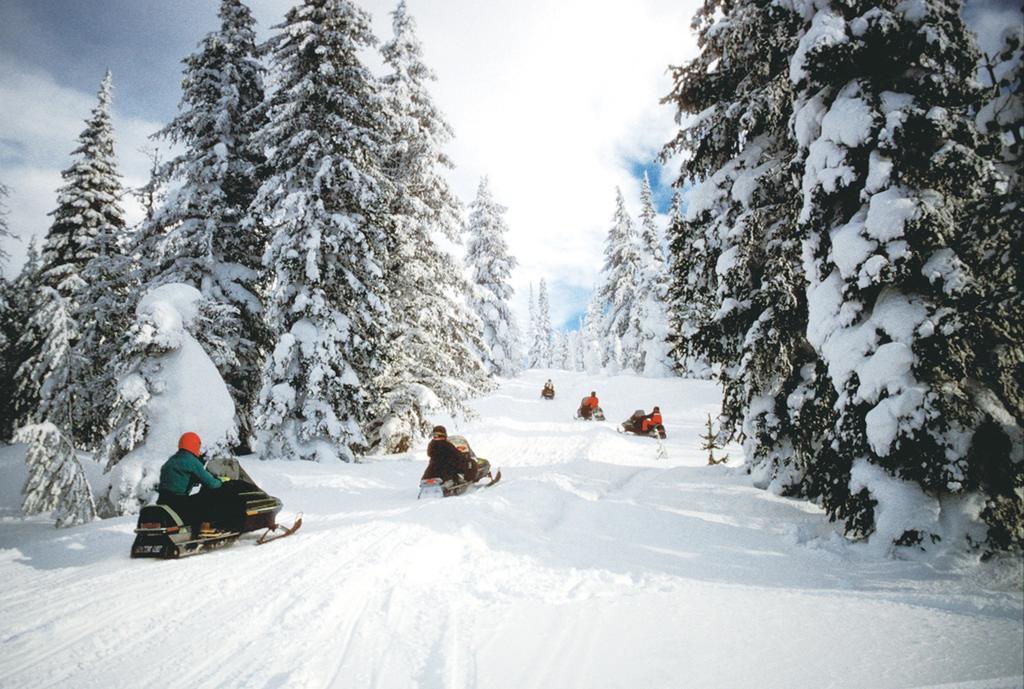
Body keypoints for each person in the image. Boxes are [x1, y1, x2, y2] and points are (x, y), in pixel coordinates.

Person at [157, 432, 225, 536]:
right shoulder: (191, 460)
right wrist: (222, 481)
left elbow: (180, 478)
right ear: (194, 445)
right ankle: (205, 529)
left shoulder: (171, 460)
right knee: (208, 498)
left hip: (162, 500)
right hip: (178, 502)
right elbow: (212, 484)